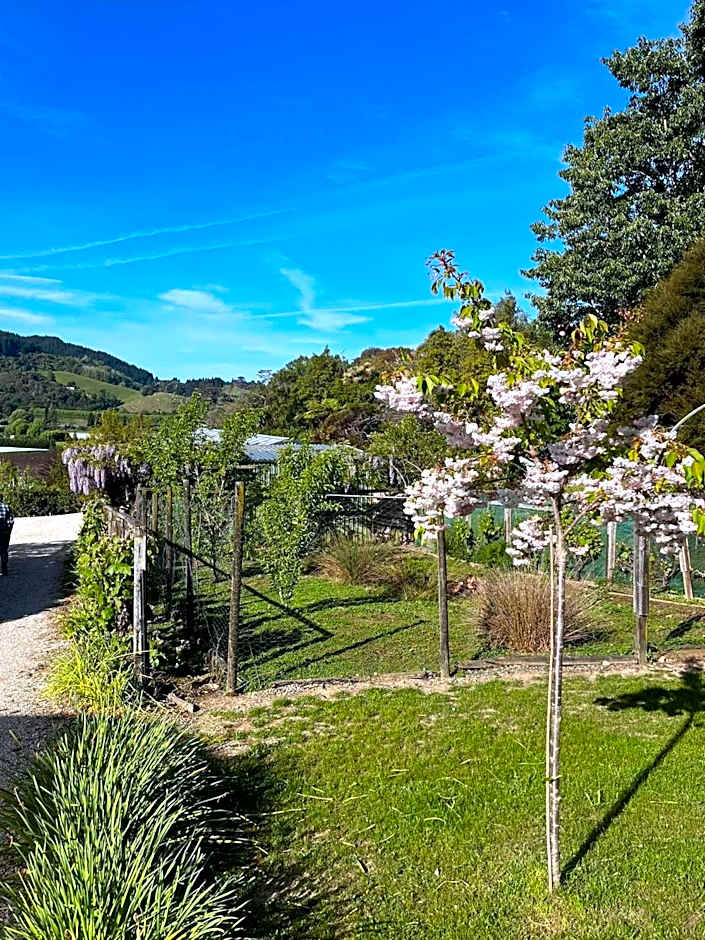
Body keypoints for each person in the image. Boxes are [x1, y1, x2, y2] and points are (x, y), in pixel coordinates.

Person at [0, 495, 14, 576]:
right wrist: (9, 530)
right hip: (4, 531)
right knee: (4, 550)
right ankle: (4, 570)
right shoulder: (6, 507)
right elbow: (11, 520)